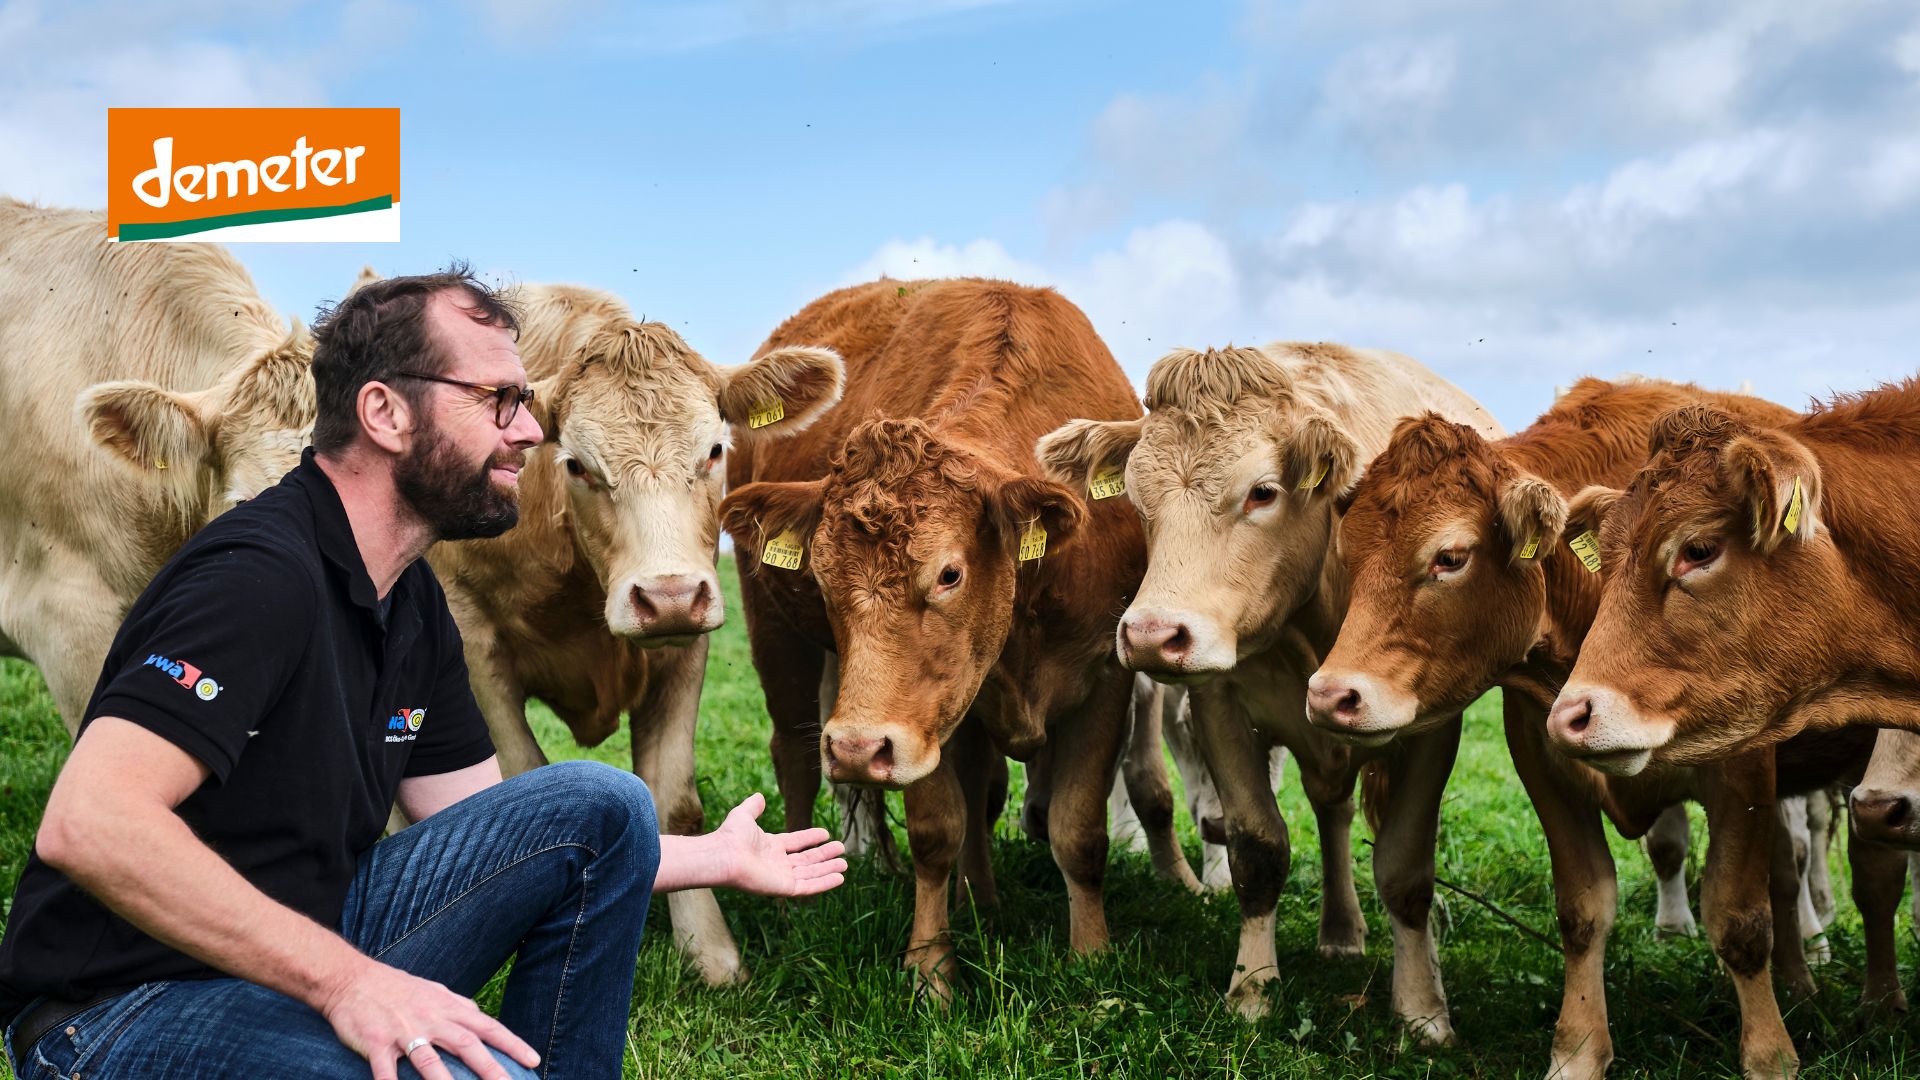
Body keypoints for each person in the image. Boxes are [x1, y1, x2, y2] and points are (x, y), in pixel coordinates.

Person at [0, 266, 847, 1080]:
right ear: (384, 413)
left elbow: (501, 833)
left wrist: (712, 857)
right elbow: (88, 825)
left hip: (288, 946)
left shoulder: (410, 601)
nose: (528, 431)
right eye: (498, 402)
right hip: (119, 1014)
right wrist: (350, 983)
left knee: (600, 803)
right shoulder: (256, 575)